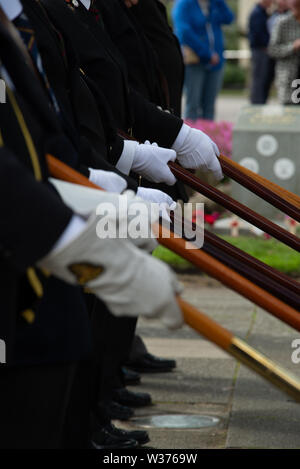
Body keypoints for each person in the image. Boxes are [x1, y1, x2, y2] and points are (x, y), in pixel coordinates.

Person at [0, 1, 184, 449]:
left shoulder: (16, 17)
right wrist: (75, 232)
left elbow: (45, 131)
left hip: (41, 284)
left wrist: (103, 191)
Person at [172, 0, 234, 121]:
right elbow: (184, 32)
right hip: (195, 62)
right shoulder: (184, 4)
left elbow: (229, 18)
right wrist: (206, 54)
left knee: (209, 107)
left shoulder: (214, 4)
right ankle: (191, 139)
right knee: (192, 105)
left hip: (215, 63)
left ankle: (208, 137)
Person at [268, 0, 300, 104]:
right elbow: (272, 50)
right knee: (290, 113)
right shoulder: (282, 22)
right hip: (289, 78)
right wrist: (292, 47)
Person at [248, 0, 274, 104]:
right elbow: (258, 35)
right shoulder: (257, 13)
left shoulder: (263, 12)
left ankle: (261, 102)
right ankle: (257, 105)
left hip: (262, 50)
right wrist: (269, 45)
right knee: (259, 80)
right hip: (260, 51)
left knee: (262, 80)